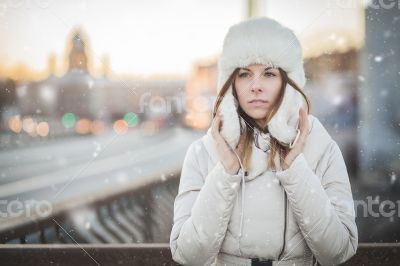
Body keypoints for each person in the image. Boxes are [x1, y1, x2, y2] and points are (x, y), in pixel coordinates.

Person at [170, 17, 358, 266]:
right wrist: (226, 173)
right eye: (245, 74)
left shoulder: (321, 147)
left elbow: (338, 252)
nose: (256, 86)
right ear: (231, 84)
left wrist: (294, 170)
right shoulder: (203, 153)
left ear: (287, 83)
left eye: (269, 73)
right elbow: (187, 255)